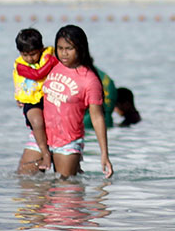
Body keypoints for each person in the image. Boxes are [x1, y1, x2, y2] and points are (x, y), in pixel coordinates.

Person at [20, 24, 112, 179]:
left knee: (66, 195)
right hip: (41, 136)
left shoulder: (89, 80)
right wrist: (23, 97)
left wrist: (104, 154)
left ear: (81, 48)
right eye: (60, 48)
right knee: (25, 185)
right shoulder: (51, 65)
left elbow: (97, 117)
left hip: (67, 142)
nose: (63, 53)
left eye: (69, 48)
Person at [13, 28, 57, 174]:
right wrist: (50, 62)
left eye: (33, 54)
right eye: (25, 55)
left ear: (41, 49)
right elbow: (38, 74)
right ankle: (44, 153)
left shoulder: (49, 55)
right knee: (37, 122)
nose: (29, 59)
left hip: (48, 100)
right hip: (31, 102)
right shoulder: (20, 65)